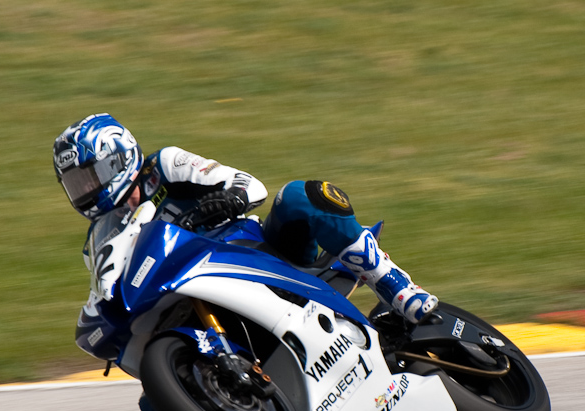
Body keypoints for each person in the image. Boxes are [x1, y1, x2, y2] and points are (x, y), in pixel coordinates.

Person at [53, 113, 438, 325]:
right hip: (200, 295)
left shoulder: (165, 165)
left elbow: (250, 186)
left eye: (89, 177)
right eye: (75, 184)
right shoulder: (102, 237)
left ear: (117, 159)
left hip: (258, 251)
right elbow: (110, 288)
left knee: (301, 195)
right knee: (156, 409)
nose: (85, 190)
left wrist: (223, 201)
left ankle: (393, 284)